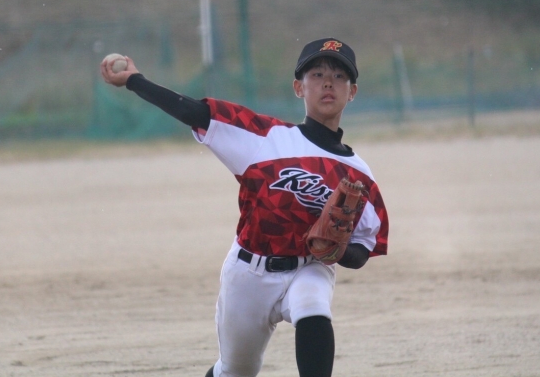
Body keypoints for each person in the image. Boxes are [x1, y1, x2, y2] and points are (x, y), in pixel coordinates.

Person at [100, 37, 389, 377]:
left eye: (340, 76)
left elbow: (362, 249)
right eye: (317, 74)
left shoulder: (360, 176)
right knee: (235, 371)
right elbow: (195, 112)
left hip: (309, 267)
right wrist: (135, 81)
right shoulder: (265, 137)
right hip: (250, 272)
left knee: (313, 307)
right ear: (299, 87)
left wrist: (338, 250)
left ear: (352, 92)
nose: (329, 82)